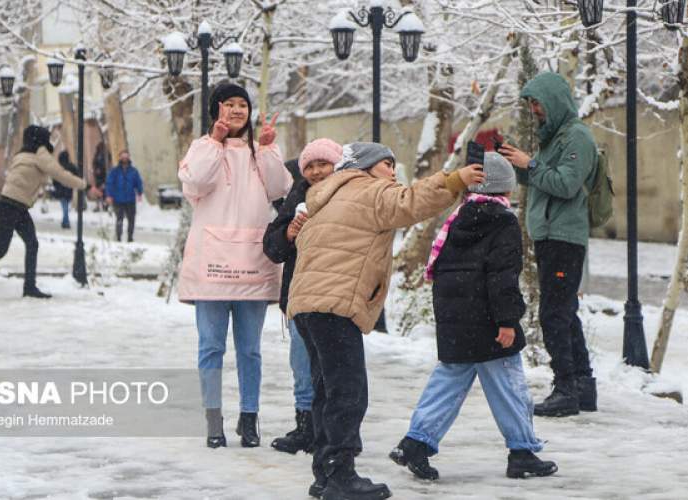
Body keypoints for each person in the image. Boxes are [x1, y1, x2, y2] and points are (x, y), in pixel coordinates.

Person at [287, 142, 485, 500]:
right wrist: (454, 179)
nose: (392, 172)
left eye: (395, 165)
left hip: (306, 305)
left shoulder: (327, 195)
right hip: (334, 304)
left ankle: (325, 472)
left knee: (326, 391)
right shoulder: (369, 190)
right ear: (364, 166)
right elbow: (411, 203)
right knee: (348, 393)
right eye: (386, 164)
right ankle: (341, 475)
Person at [389, 153, 557, 482]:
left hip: (457, 320)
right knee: (509, 385)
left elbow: (447, 272)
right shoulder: (503, 221)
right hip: (489, 322)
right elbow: (502, 275)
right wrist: (507, 321)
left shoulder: (459, 218)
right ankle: (522, 452)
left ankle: (416, 442)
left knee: (447, 383)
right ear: (505, 190)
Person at [177, 83, 292, 450]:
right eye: (230, 104)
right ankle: (213, 420)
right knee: (210, 346)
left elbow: (279, 190)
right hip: (212, 265)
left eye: (243, 104)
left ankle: (249, 418)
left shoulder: (261, 151)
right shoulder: (201, 147)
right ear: (216, 110)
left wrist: (270, 147)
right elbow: (195, 183)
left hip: (253, 263)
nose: (238, 111)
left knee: (250, 349)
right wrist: (216, 140)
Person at [499, 72, 598, 417]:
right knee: (564, 311)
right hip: (550, 235)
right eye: (531, 104)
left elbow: (566, 184)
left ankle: (566, 389)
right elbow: (545, 178)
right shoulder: (555, 138)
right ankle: (583, 387)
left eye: (538, 102)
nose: (535, 110)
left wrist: (532, 164)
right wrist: (518, 166)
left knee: (554, 314)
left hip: (564, 238)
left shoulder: (577, 137)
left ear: (554, 100)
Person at [263, 138, 342, 455]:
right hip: (300, 294)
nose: (318, 171)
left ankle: (333, 429)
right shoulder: (298, 195)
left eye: (324, 164)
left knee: (334, 366)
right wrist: (289, 233)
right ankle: (306, 425)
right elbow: (273, 247)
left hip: (337, 294)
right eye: (310, 166)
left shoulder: (349, 195)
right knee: (302, 363)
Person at [0, 125, 85, 299]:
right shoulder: (40, 153)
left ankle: (28, 287)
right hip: (14, 206)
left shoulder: (22, 154)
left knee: (26, 245)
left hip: (9, 205)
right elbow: (60, 174)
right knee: (4, 249)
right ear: (40, 139)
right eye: (47, 138)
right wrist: (83, 185)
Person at [105, 150, 143, 242]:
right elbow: (110, 183)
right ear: (120, 158)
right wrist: (109, 195)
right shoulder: (115, 171)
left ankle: (130, 237)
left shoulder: (133, 171)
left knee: (131, 219)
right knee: (119, 219)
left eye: (126, 157)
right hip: (118, 199)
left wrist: (139, 193)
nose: (125, 159)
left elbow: (138, 182)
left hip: (130, 199)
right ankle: (118, 237)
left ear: (129, 158)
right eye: (123, 157)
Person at [53, 151, 79, 229]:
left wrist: (57, 186)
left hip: (61, 190)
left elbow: (55, 179)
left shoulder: (59, 167)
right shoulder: (71, 167)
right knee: (65, 206)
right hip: (68, 189)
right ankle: (65, 221)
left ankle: (65, 221)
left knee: (64, 206)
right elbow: (76, 175)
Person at [92, 142, 109, 212]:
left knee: (104, 191)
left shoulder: (106, 155)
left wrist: (100, 169)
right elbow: (94, 163)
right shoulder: (97, 155)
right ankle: (99, 206)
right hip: (98, 177)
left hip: (104, 176)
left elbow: (107, 165)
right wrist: (96, 169)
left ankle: (104, 205)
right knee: (98, 191)